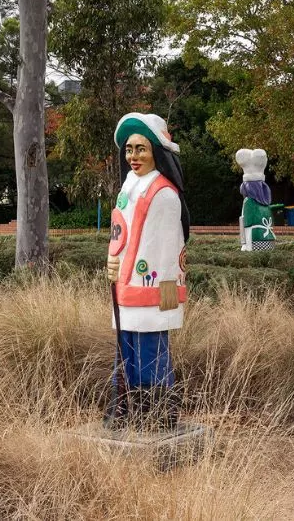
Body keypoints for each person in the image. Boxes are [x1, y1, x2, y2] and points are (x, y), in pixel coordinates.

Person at [105, 113, 189, 430]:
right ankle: (125, 410)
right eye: (129, 149)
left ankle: (155, 415)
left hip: (151, 291)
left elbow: (167, 247)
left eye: (141, 148)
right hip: (125, 287)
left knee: (150, 353)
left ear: (156, 150)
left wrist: (166, 295)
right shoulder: (129, 185)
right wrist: (112, 259)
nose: (133, 156)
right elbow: (119, 230)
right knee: (125, 354)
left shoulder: (165, 193)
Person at [236, 148, 276, 251]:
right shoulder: (266, 204)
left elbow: (245, 223)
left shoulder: (249, 202)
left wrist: (244, 244)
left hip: (254, 240)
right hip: (269, 240)